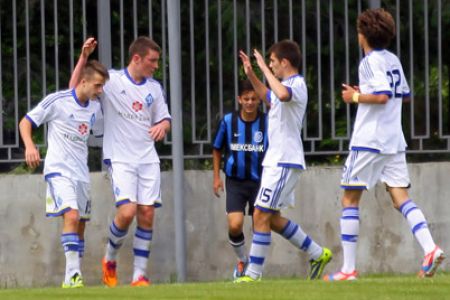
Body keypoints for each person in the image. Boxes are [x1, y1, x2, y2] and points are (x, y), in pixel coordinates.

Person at [323, 8, 444, 281]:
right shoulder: (392, 59)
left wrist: (354, 97)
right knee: (401, 197)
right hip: (393, 141)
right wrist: (365, 92)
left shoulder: (368, 61)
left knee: (349, 198)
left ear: (363, 34)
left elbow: (381, 97)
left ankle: (348, 270)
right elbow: (404, 95)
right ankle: (430, 248)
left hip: (369, 141)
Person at [69, 37, 171, 287]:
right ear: (137, 58)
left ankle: (139, 275)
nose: (156, 66)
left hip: (147, 158)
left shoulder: (154, 89)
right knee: (127, 212)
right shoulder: (112, 81)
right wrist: (84, 57)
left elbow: (165, 119)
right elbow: (74, 89)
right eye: (152, 60)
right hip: (121, 158)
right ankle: (110, 259)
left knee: (146, 213)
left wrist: (162, 126)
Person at [236, 40, 332, 282]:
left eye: (272, 62)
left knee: (259, 213)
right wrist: (252, 74)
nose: (270, 66)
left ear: (285, 62)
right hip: (276, 161)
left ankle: (253, 275)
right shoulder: (284, 85)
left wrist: (263, 68)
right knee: (273, 219)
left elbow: (280, 93)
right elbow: (269, 97)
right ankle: (317, 253)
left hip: (284, 161)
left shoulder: (296, 84)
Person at [19, 60, 108, 288]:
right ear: (84, 81)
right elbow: (26, 122)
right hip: (58, 170)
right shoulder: (58, 101)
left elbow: (101, 134)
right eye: (97, 86)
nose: (100, 91)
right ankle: (75, 274)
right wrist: (30, 146)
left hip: (81, 173)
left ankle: (70, 279)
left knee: (80, 225)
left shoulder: (95, 108)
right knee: (71, 215)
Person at [212, 79, 268, 279]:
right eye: (246, 99)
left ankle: (254, 270)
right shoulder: (228, 121)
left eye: (254, 98)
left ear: (259, 100)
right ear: (239, 100)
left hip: (260, 181)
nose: (250, 102)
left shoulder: (267, 122)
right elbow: (217, 148)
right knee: (235, 224)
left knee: (259, 226)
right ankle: (243, 260)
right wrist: (216, 177)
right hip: (235, 181)